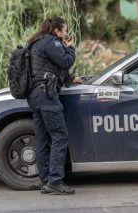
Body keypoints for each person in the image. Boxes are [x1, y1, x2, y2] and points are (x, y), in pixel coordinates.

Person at [26, 17, 82, 195]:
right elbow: (65, 62)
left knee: (43, 139)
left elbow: (52, 68)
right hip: (46, 95)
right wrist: (71, 48)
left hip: (35, 95)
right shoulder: (51, 42)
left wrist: (72, 79)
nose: (66, 34)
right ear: (57, 31)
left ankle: (45, 181)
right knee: (60, 136)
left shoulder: (37, 43)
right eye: (64, 30)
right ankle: (55, 181)